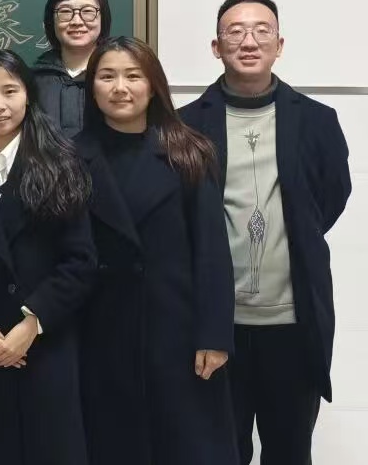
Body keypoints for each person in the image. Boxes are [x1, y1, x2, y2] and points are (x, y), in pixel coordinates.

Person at [180, 0, 351, 465]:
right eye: (235, 32)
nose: (249, 41)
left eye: (262, 31)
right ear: (216, 46)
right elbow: (182, 218)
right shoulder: (186, 126)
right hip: (218, 329)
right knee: (219, 452)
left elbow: (330, 199)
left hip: (294, 326)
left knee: (290, 452)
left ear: (280, 44)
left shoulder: (317, 121)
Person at [77, 36, 238, 465]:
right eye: (107, 76)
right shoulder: (71, 157)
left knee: (186, 447)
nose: (120, 87)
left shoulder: (189, 152)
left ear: (153, 86)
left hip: (178, 333)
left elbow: (212, 253)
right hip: (101, 330)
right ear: (92, 87)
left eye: (133, 76)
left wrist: (214, 335)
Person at [0, 49, 96, 465]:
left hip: (45, 344)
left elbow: (80, 261)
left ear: (28, 95)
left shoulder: (61, 163)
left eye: (10, 91)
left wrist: (32, 324)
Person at [32, 0, 111, 138]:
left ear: (103, 17)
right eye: (65, 11)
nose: (76, 21)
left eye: (87, 11)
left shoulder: (118, 77)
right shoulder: (33, 81)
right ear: (51, 20)